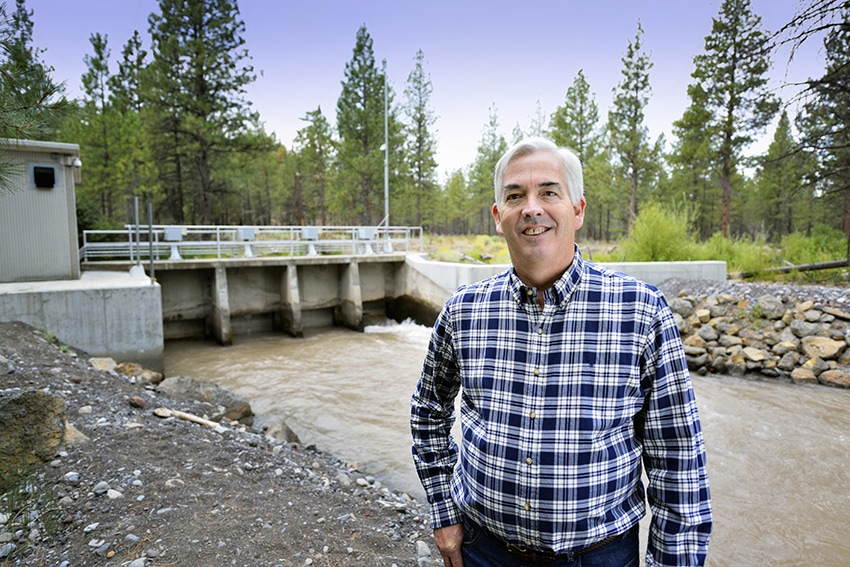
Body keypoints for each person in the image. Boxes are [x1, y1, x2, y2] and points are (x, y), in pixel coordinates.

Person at [410, 137, 712, 567]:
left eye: (549, 192)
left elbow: (678, 460)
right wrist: (443, 513)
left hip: (600, 556)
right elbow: (427, 409)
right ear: (499, 217)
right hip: (485, 551)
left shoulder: (640, 311)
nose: (531, 207)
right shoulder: (464, 311)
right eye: (515, 196)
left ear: (578, 209)